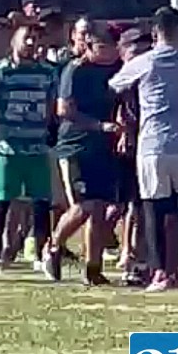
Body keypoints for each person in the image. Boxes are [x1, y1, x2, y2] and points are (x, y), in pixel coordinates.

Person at [109, 7, 178, 292]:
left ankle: (160, 272)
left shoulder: (146, 62)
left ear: (155, 33)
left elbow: (115, 84)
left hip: (153, 144)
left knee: (154, 208)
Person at [0, 25, 58, 276]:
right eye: (27, 38)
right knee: (1, 202)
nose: (31, 43)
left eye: (35, 38)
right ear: (14, 42)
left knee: (41, 203)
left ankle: (42, 255)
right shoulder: (0, 71)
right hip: (7, 149)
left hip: (37, 147)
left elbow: (53, 106)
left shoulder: (47, 73)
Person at [45, 24, 122, 285]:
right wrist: (98, 125)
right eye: (104, 47)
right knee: (84, 205)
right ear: (90, 47)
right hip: (76, 146)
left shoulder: (115, 69)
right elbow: (64, 109)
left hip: (104, 148)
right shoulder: (75, 71)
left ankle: (93, 268)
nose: (111, 52)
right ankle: (53, 245)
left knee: (99, 209)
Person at [115, 27, 154, 286]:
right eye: (135, 50)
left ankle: (136, 256)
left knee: (139, 205)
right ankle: (125, 251)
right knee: (120, 205)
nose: (140, 56)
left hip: (147, 144)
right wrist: (124, 131)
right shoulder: (119, 76)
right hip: (121, 145)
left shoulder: (148, 73)